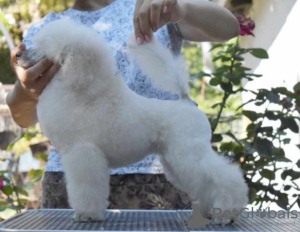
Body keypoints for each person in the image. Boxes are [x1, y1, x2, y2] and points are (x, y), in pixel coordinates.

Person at [7, 0, 240, 209]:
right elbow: (23, 118)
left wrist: (180, 8)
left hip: (155, 185)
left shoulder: (150, 6)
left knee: (197, 169)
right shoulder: (45, 30)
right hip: (69, 180)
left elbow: (230, 27)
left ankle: (230, 198)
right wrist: (26, 90)